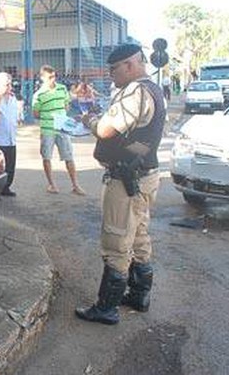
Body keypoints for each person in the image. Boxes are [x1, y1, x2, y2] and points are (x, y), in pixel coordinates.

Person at [75, 43, 166, 325]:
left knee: (116, 241)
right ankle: (139, 295)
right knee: (139, 237)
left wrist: (88, 118)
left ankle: (106, 308)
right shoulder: (154, 89)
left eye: (113, 69)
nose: (110, 74)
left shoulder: (136, 91)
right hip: (144, 175)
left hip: (127, 180)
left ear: (130, 64)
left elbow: (105, 128)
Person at [32, 65, 86, 195]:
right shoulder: (38, 95)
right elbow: (36, 114)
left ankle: (75, 185)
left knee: (69, 156)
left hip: (62, 129)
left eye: (54, 76)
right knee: (46, 157)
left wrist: (61, 117)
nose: (53, 79)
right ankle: (51, 184)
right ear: (42, 78)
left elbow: (66, 106)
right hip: (47, 130)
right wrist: (49, 117)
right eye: (50, 77)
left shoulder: (62, 89)